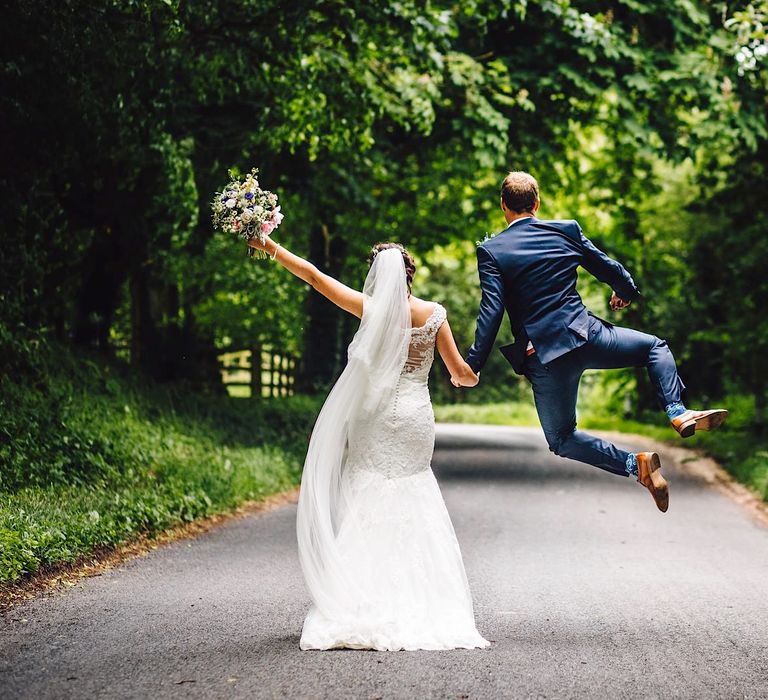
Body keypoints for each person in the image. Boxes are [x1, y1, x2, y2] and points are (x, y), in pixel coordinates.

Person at [247, 234, 488, 651]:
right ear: (412, 274)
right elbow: (461, 373)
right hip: (415, 415)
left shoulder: (371, 310)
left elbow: (314, 276)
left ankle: (358, 598)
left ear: (378, 276)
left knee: (368, 493)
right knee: (413, 488)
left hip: (372, 415)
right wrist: (469, 375)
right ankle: (423, 601)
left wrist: (270, 246)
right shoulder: (434, 316)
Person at [465, 171, 728, 513]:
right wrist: (625, 292)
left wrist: (472, 365)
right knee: (654, 347)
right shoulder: (565, 230)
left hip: (544, 356)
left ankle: (637, 465)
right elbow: (608, 267)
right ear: (537, 203)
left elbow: (491, 312)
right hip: (586, 335)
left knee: (562, 438)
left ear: (503, 206)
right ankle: (677, 412)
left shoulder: (492, 251)